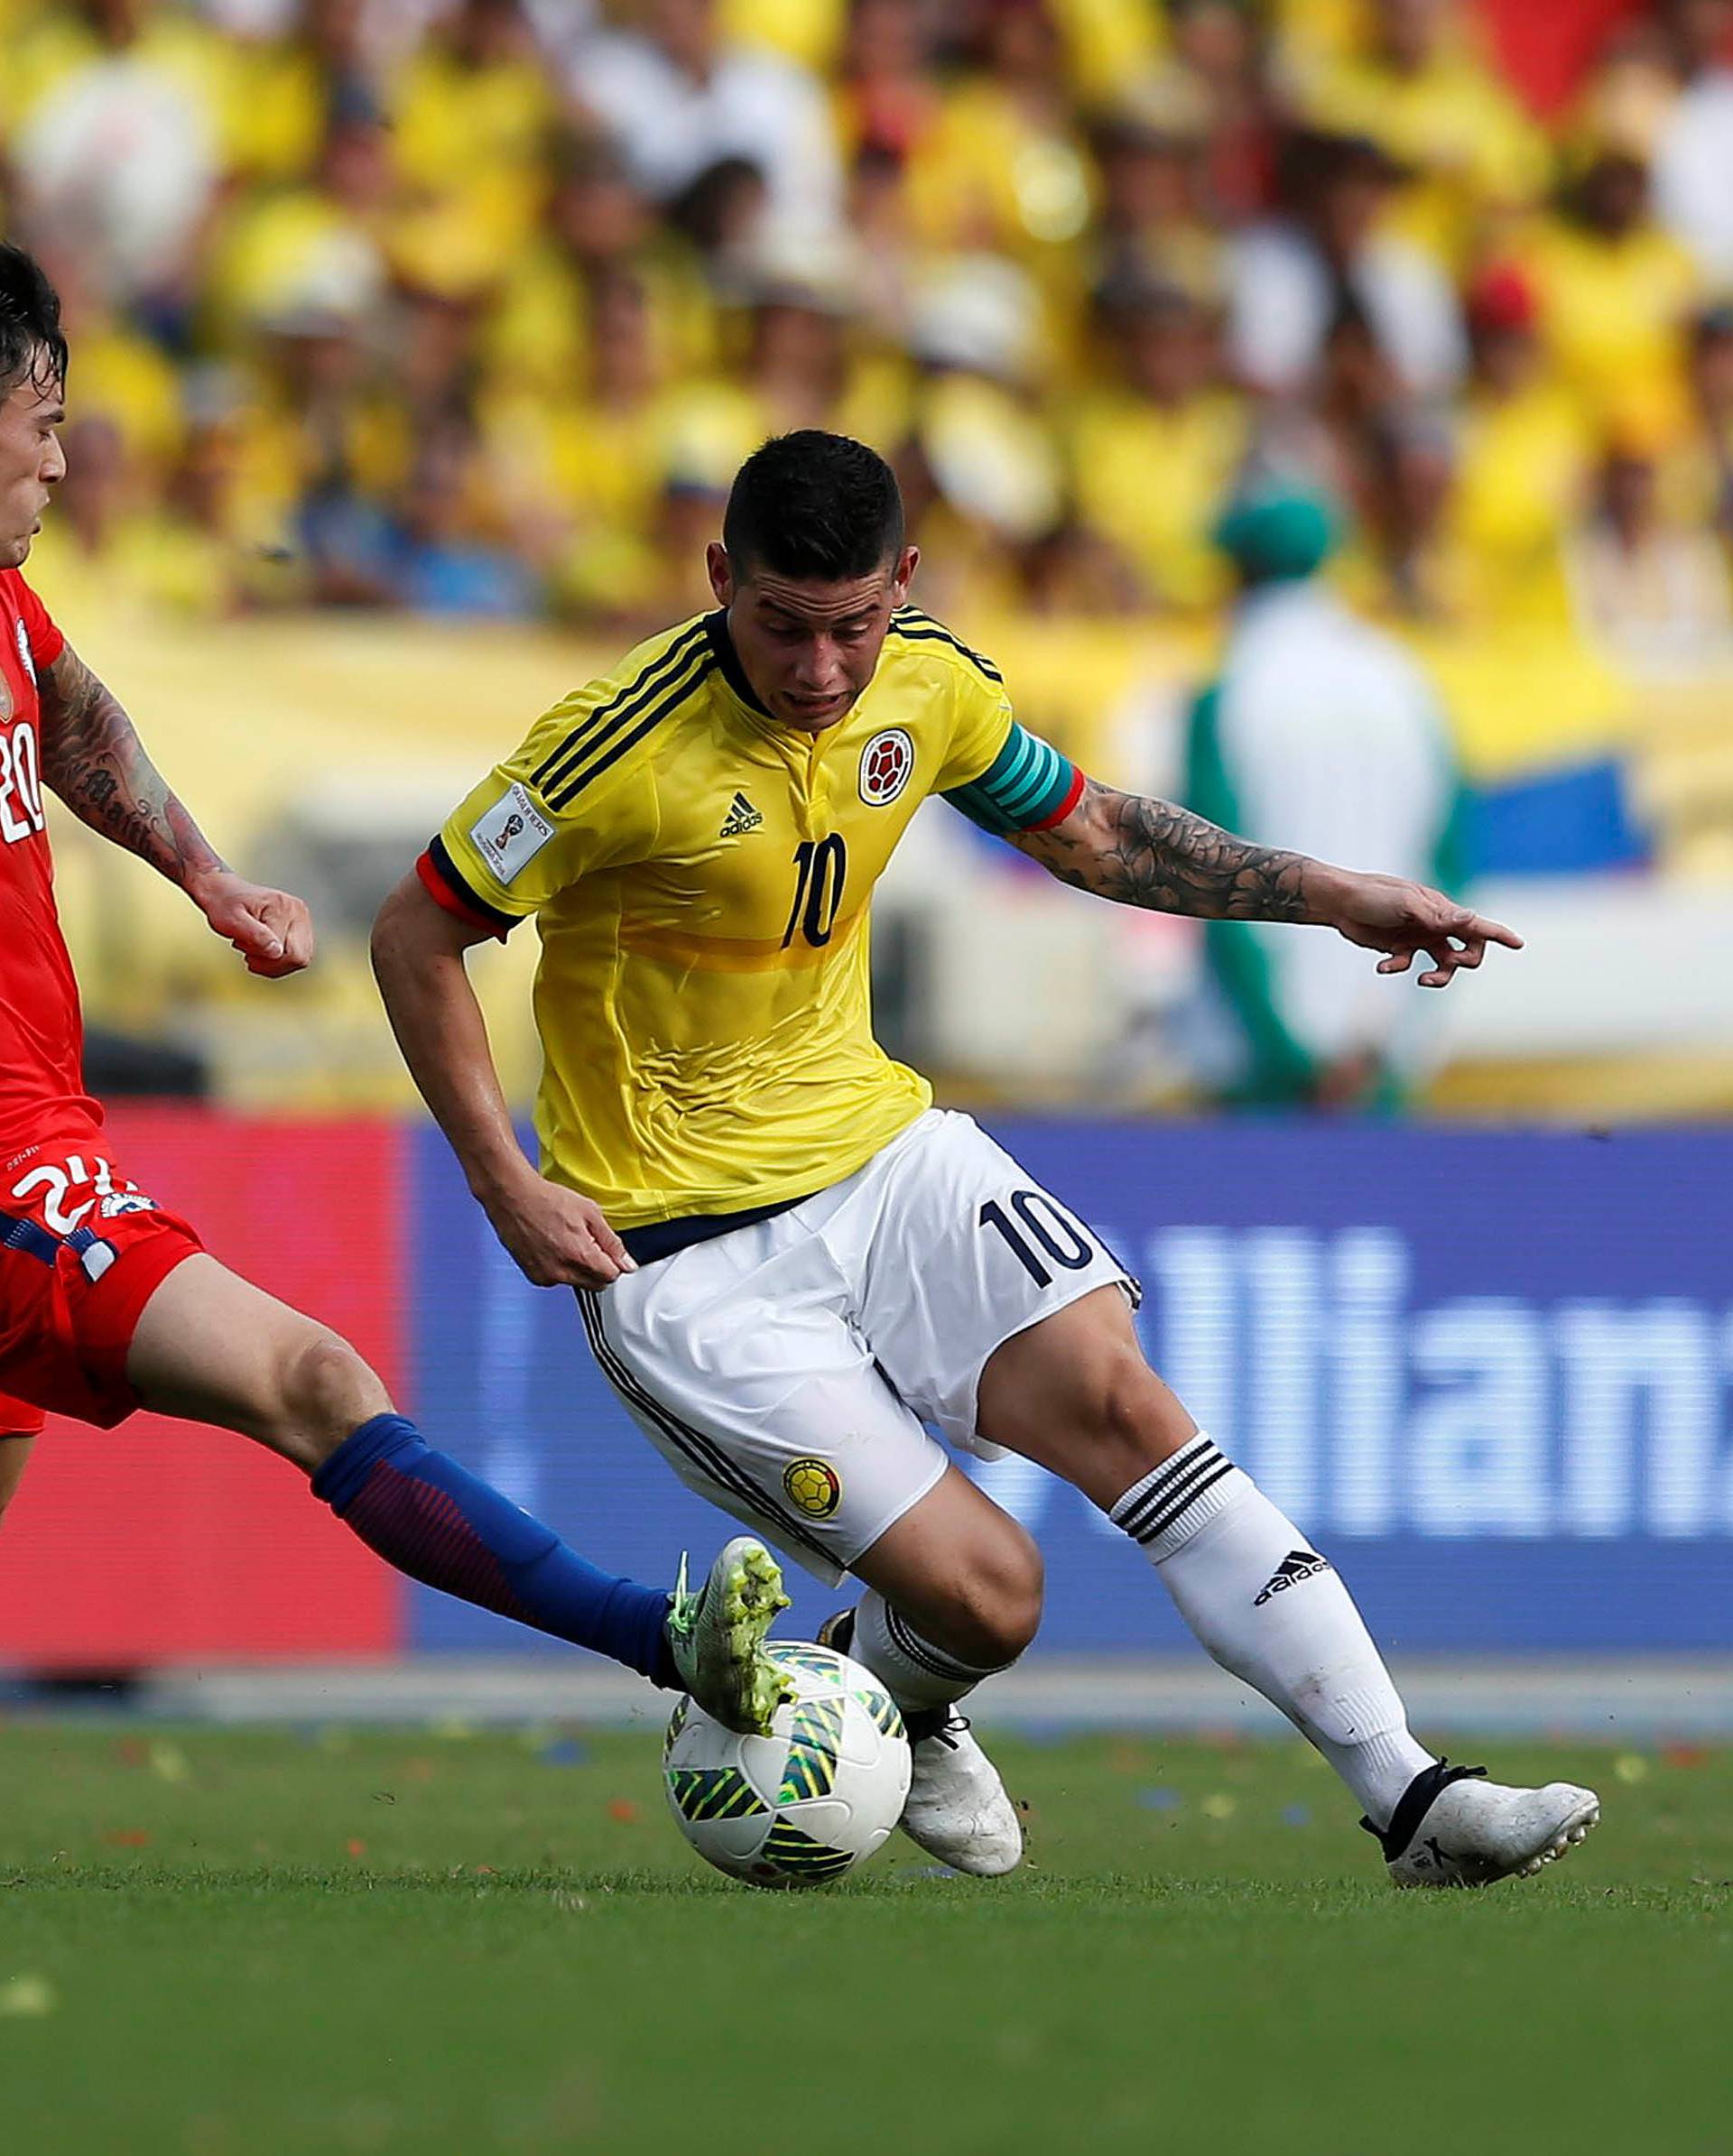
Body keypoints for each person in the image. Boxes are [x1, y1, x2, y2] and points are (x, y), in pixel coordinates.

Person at [374, 426, 1601, 1887]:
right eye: (782, 626)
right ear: (719, 579)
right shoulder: (615, 744)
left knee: (1123, 1399)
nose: (823, 670)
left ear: (903, 580)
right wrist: (502, 1177)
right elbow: (418, 932)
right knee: (993, 1599)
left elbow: (1093, 837)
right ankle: (896, 1686)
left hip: (883, 1159)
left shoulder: (933, 681)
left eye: (853, 627)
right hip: (681, 1251)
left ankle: (1412, 1798)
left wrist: (1337, 897)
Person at [0, 243, 788, 1744]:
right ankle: (663, 1638)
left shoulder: (5, 609)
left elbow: (76, 713)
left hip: (50, 1126)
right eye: (39, 423)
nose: (58, 460)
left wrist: (207, 878)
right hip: (12, 1170)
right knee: (312, 1377)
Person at [1180, 484, 1465, 1112]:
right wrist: (1387, 1034)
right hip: (1381, 1053)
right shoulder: (1404, 682)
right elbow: (1451, 859)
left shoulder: (1227, 694)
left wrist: (1285, 1050)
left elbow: (1208, 878)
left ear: (1237, 573)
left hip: (1263, 1071)